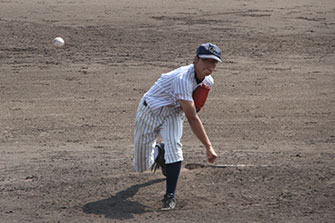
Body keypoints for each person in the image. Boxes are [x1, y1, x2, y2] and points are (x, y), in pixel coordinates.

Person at [133, 43, 221, 210]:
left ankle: (169, 196)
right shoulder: (182, 79)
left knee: (175, 147)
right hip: (149, 111)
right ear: (196, 59)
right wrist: (208, 147)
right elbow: (192, 117)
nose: (210, 66)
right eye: (206, 61)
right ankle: (160, 151)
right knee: (141, 165)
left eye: (214, 62)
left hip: (173, 114)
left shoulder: (208, 81)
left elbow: (193, 108)